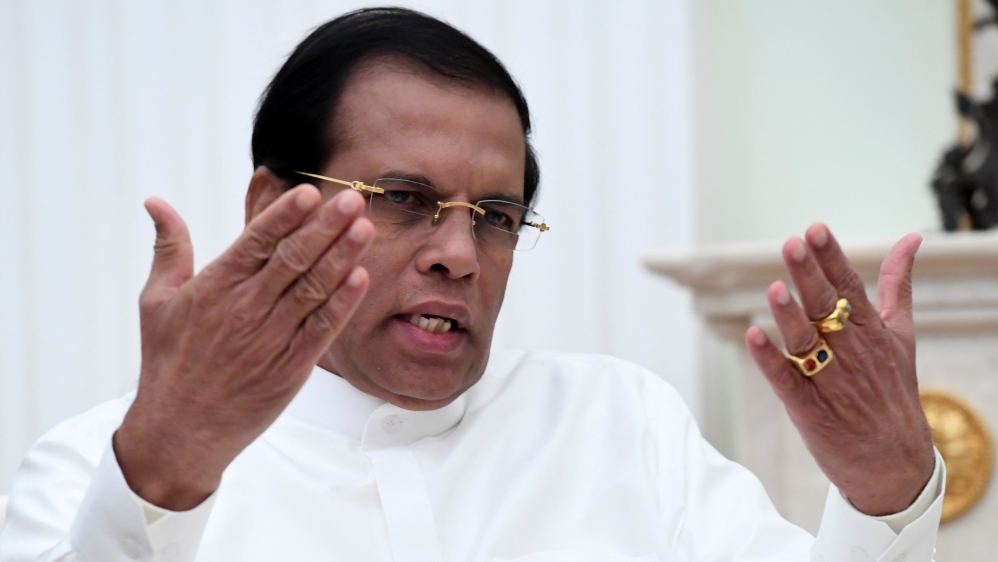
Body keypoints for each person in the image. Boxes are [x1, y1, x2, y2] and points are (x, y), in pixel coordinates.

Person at [0, 7, 942, 562]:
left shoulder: (623, 424)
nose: (460, 252)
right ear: (273, 207)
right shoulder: (102, 468)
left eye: (495, 215)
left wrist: (888, 494)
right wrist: (163, 476)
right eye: (405, 199)